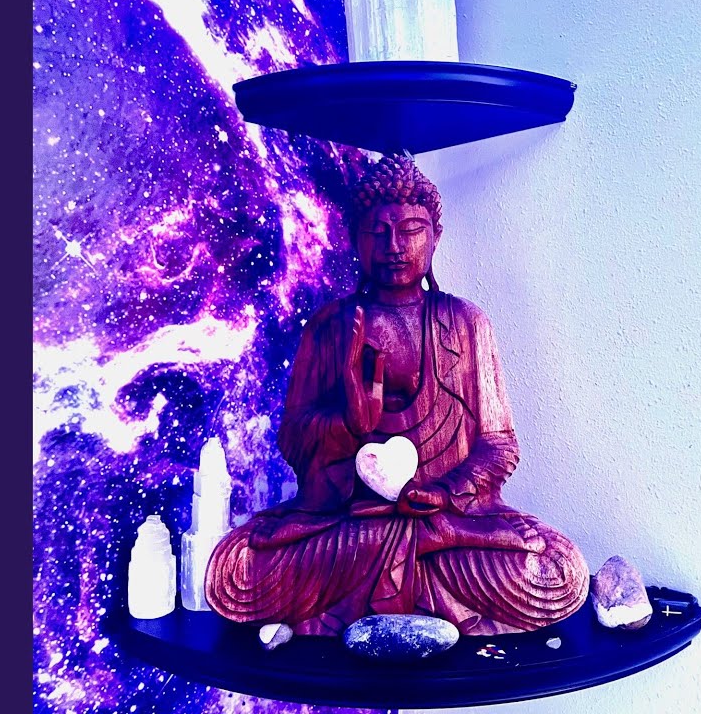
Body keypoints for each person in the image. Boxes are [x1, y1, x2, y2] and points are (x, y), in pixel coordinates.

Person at [206, 156, 588, 636]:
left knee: (557, 571)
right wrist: (348, 423)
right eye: (378, 232)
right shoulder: (328, 326)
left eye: (411, 230)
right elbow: (294, 441)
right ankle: (424, 552)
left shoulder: (467, 323)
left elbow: (499, 445)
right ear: (355, 239)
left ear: (435, 237)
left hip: (452, 521)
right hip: (352, 524)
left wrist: (446, 493)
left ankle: (432, 543)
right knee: (236, 571)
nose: (394, 246)